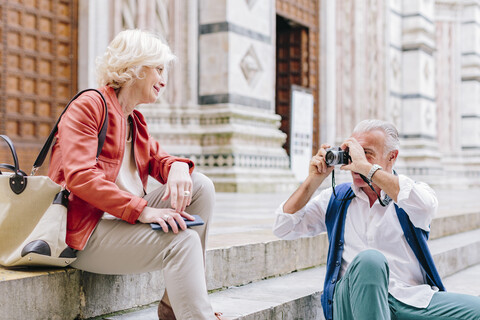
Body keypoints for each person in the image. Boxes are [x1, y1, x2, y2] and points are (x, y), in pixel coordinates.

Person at [48, 29, 227, 320]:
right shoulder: (89, 106)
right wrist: (142, 210)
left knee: (200, 186)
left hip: (121, 221)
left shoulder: (134, 120)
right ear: (135, 67)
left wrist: (179, 167)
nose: (163, 80)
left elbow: (161, 159)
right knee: (183, 241)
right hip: (83, 233)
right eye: (158, 69)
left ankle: (175, 305)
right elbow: (80, 177)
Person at [273, 119, 480, 320]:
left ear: (392, 157)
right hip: (353, 302)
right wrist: (314, 179)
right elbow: (283, 227)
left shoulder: (411, 195)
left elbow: (426, 204)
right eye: (352, 155)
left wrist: (367, 169)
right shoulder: (337, 199)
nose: (355, 163)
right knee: (370, 260)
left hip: (408, 299)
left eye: (367, 155)